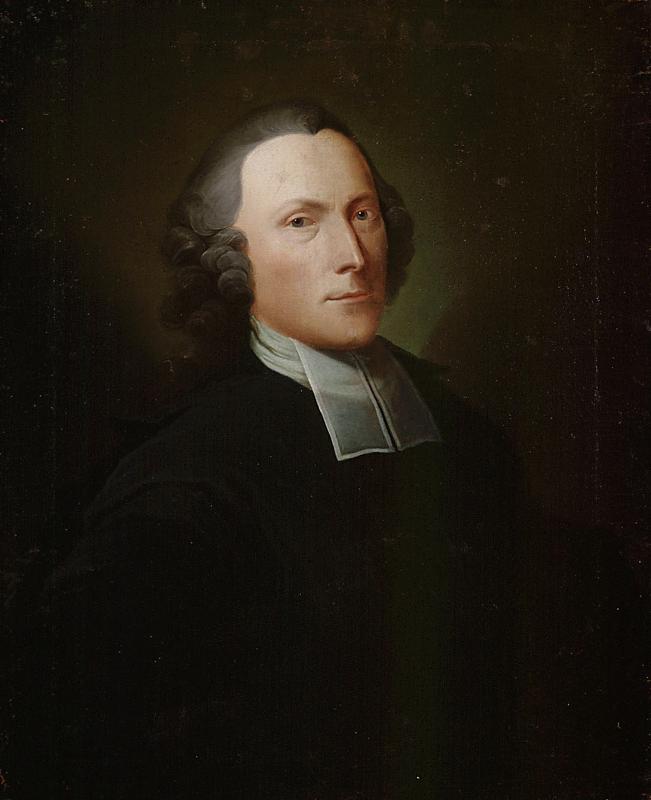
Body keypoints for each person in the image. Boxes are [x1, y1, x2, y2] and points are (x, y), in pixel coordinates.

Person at [22, 101, 518, 799]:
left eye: (363, 214)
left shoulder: (468, 434)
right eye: (300, 222)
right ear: (230, 258)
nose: (352, 256)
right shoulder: (191, 473)